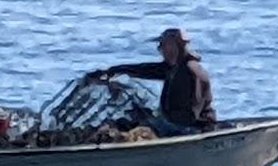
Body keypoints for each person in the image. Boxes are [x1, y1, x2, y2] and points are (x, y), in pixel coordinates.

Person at [87, 27, 217, 133]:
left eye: (163, 45)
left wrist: (152, 120)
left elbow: (189, 116)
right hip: (178, 125)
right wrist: (114, 70)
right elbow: (145, 69)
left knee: (128, 126)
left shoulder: (190, 71)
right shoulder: (173, 68)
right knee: (124, 123)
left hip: (192, 130)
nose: (160, 49)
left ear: (174, 46)